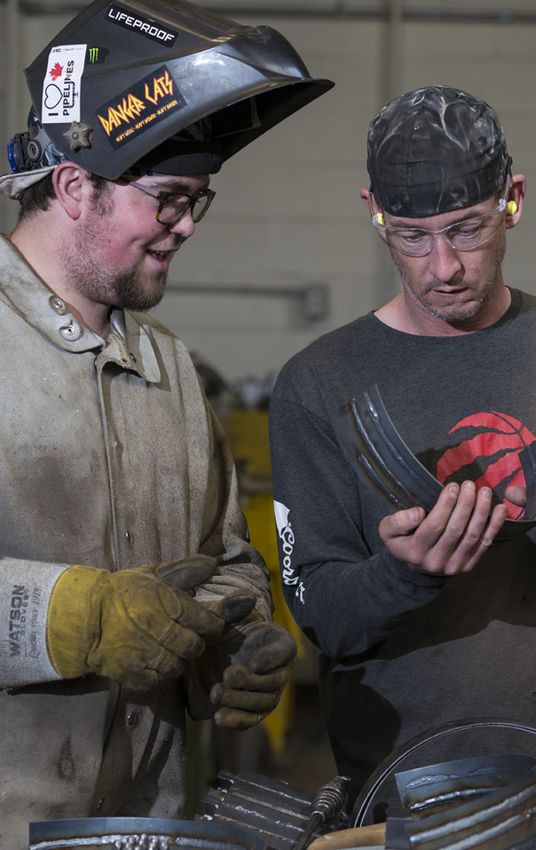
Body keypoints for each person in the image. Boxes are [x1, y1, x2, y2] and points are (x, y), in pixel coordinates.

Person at [0, 0, 332, 846]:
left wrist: (231, 645)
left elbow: (225, 561)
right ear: (74, 186)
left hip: (142, 826)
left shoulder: (172, 370)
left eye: (196, 201)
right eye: (168, 199)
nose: (185, 225)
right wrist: (67, 617)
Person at [269, 85, 536, 817]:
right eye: (412, 237)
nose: (442, 267)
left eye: (467, 229)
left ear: (513, 200)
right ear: (375, 213)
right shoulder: (320, 383)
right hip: (406, 792)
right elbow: (319, 612)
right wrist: (402, 574)